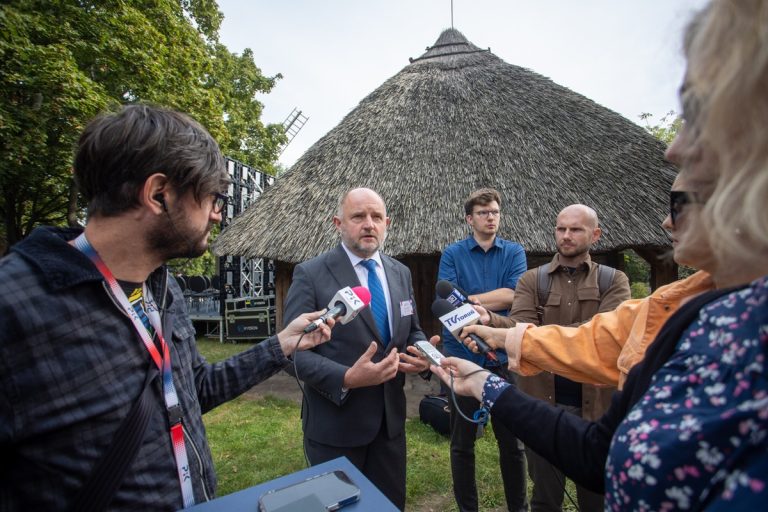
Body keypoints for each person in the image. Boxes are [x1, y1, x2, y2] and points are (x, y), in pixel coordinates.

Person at [434, 1, 768, 508]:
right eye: (559, 228)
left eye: (696, 116)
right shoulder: (688, 305)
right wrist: (490, 361)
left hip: (587, 402)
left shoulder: (619, 283)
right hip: (538, 390)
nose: (672, 149)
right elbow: (592, 345)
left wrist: (495, 336)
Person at [0, 105, 335, 511]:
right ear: (159, 194)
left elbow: (193, 391)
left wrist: (281, 344)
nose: (218, 213)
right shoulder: (15, 306)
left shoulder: (163, 288)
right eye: (213, 198)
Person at [283, 187, 436, 510]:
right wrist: (347, 377)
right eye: (358, 217)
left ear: (387, 223)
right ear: (338, 223)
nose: (369, 224)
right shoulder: (310, 273)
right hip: (334, 427)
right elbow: (291, 351)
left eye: (376, 217)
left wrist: (423, 354)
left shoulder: (401, 272)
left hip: (390, 426)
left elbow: (413, 330)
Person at [509, 204, 630, 512]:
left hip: (597, 410)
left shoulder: (614, 281)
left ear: (596, 234)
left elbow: (606, 338)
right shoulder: (531, 281)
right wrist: (495, 326)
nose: (566, 236)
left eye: (575, 229)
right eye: (561, 229)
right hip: (542, 407)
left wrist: (539, 335)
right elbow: (519, 331)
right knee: (545, 499)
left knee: (597, 497)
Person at [437, 188, 528, 512]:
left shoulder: (514, 252)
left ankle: (518, 508)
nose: (491, 217)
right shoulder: (452, 253)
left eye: (494, 212)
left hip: (501, 357)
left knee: (512, 444)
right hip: (461, 356)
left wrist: (470, 300)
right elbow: (447, 299)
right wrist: (481, 302)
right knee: (462, 444)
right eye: (483, 212)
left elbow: (513, 295)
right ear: (469, 218)